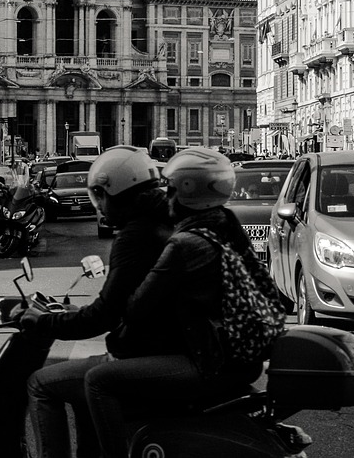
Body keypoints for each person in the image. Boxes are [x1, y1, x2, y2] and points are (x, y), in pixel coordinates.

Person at [82, 148, 271, 458]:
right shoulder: (226, 222)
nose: (164, 194)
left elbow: (135, 308)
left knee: (97, 382)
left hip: (210, 359)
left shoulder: (184, 243)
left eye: (169, 187)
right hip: (240, 355)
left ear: (187, 191)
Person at [22, 146, 174, 458]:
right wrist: (77, 312)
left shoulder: (135, 236)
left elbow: (105, 314)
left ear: (117, 192)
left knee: (41, 383)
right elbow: (130, 303)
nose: (99, 205)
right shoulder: (161, 221)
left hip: (144, 352)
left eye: (100, 195)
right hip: (159, 345)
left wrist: (43, 321)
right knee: (79, 386)